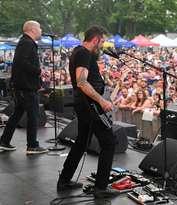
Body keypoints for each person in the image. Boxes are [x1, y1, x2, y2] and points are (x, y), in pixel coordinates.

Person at [57, 26, 117, 198]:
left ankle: (64, 180)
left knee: (82, 142)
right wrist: (101, 100)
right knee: (108, 142)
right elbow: (82, 82)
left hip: (84, 105)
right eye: (103, 40)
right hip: (90, 106)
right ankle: (101, 188)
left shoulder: (78, 51)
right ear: (96, 39)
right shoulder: (84, 53)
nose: (103, 44)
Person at [0, 21, 48, 154]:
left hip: (22, 86)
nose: (41, 30)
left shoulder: (25, 42)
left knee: (17, 114)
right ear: (32, 29)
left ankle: (4, 141)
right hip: (26, 87)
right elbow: (22, 62)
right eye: (39, 27)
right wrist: (38, 71)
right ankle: (32, 145)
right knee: (33, 116)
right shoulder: (27, 43)